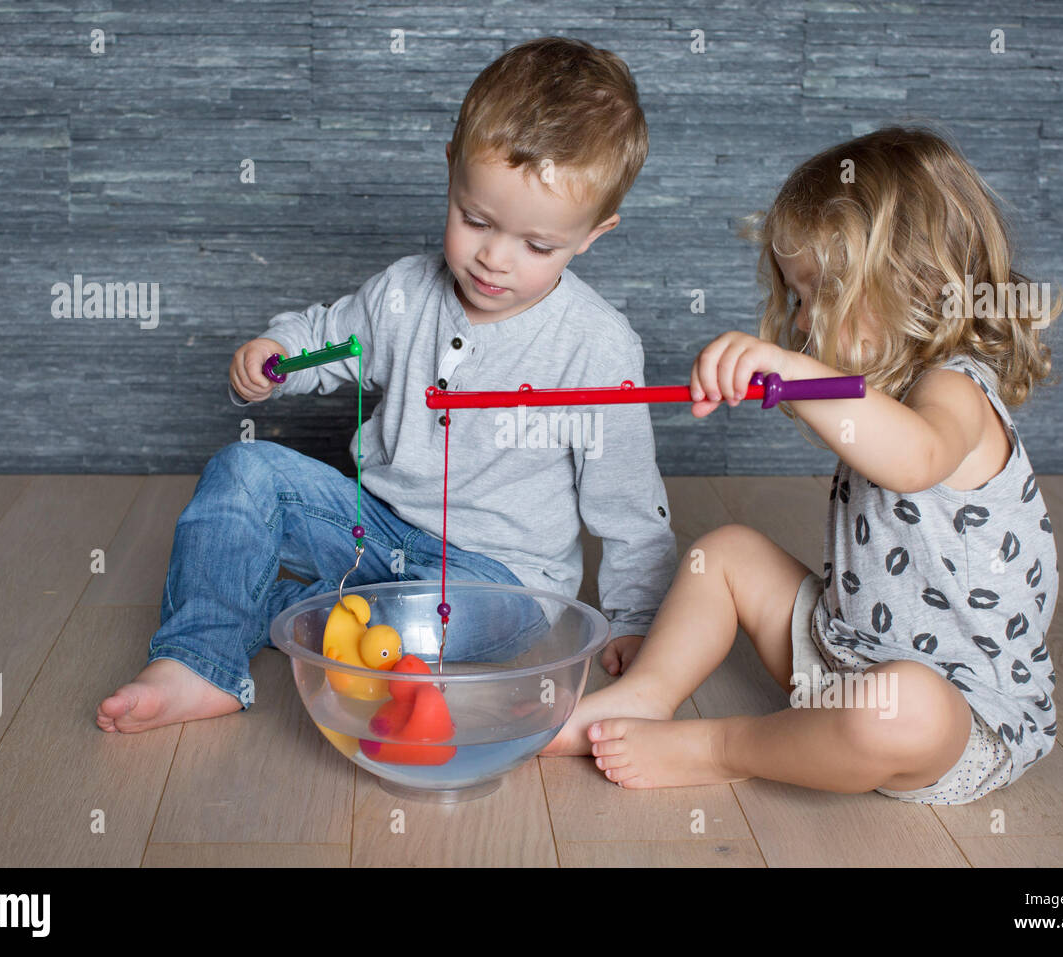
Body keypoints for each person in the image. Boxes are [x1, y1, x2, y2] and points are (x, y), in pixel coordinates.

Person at [97, 37, 677, 733]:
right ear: (451, 172)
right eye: (476, 220)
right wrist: (276, 353)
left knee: (392, 617)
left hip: (500, 581)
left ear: (592, 235)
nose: (494, 258)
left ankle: (329, 623)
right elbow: (332, 338)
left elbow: (631, 507)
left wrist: (637, 621)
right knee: (243, 470)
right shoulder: (405, 292)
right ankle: (200, 660)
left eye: (537, 245)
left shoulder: (597, 345)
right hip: (379, 529)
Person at [546, 127, 1062, 806]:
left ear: (921, 281)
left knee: (903, 705)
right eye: (797, 296)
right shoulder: (887, 390)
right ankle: (643, 697)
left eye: (825, 291)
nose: (803, 321)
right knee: (726, 553)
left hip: (954, 716)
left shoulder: (956, 390)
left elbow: (914, 459)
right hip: (840, 656)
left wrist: (794, 374)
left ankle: (721, 746)